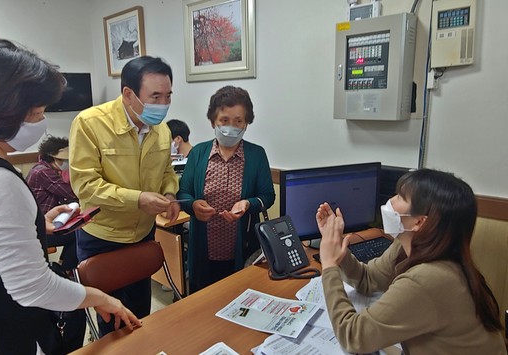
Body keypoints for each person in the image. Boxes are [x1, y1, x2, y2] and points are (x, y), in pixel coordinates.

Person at [0, 39, 141, 355]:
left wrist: (36, 224)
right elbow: (34, 287)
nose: (42, 122)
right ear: (0, 110)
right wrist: (101, 298)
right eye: (36, 113)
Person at [315, 169, 506, 354]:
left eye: (400, 197)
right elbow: (368, 279)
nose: (390, 200)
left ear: (419, 222)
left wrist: (329, 266)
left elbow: (354, 337)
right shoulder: (410, 246)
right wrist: (336, 244)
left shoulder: (430, 278)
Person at [69, 56, 180, 335]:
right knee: (113, 322)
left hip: (142, 234)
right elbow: (85, 184)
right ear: (128, 94)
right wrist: (138, 199)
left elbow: (167, 171)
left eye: (168, 96)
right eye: (155, 96)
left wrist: (169, 193)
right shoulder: (90, 123)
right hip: (103, 236)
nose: (163, 105)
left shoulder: (161, 129)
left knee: (140, 316)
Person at [177, 86, 276, 293]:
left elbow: (267, 196)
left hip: (242, 248)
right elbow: (183, 193)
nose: (231, 126)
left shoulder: (256, 155)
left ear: (246, 124)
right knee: (203, 306)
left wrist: (248, 204)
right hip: (203, 251)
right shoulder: (198, 153)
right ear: (213, 121)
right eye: (224, 120)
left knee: (240, 300)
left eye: (238, 121)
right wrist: (193, 205)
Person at [26, 135, 78, 269]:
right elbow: (70, 193)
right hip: (39, 229)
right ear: (52, 157)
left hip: (41, 224)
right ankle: (66, 270)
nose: (66, 162)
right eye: (63, 160)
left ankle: (63, 266)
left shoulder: (43, 169)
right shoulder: (43, 172)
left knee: (75, 231)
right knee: (79, 235)